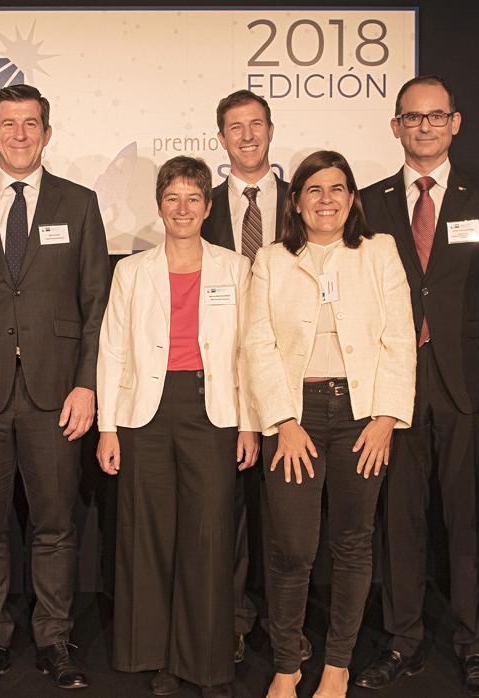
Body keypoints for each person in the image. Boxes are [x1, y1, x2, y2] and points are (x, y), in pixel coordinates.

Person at [356, 75, 479, 697]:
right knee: (398, 518)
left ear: (455, 122)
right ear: (395, 127)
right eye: (411, 118)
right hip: (393, 382)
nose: (423, 126)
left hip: (469, 382)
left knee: (468, 518)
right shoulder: (369, 202)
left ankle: (475, 645)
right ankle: (402, 639)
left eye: (435, 116)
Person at [0, 84, 108, 692]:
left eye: (31, 124)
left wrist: (86, 384)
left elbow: (97, 304)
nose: (20, 134)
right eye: (8, 124)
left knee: (55, 525)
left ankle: (55, 639)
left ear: (48, 133)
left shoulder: (80, 203)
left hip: (56, 394)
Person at [243, 150, 415, 698]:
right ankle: (288, 664)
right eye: (314, 189)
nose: (326, 199)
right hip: (295, 417)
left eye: (337, 188)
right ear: (295, 200)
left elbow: (399, 338)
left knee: (352, 542)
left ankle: (337, 663)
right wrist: (283, 420)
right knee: (292, 547)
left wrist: (386, 417)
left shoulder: (377, 251)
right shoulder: (271, 260)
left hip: (361, 416)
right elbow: (257, 343)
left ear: (352, 198)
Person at [97, 156, 258, 698]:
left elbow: (247, 352)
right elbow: (113, 350)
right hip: (145, 410)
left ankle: (207, 664)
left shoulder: (235, 269)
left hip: (212, 411)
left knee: (209, 536)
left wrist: (249, 423)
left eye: (194, 198)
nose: (183, 208)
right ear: (159, 206)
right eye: (173, 199)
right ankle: (160, 657)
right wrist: (108, 427)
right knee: (150, 535)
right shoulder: (131, 271)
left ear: (209, 208)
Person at [199, 89, 309, 666]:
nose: (246, 136)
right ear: (220, 139)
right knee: (233, 511)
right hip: (224, 379)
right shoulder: (204, 207)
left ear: (270, 131)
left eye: (256, 125)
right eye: (234, 128)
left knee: (289, 513)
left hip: (298, 378)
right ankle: (238, 621)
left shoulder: (304, 201)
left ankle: (287, 624)